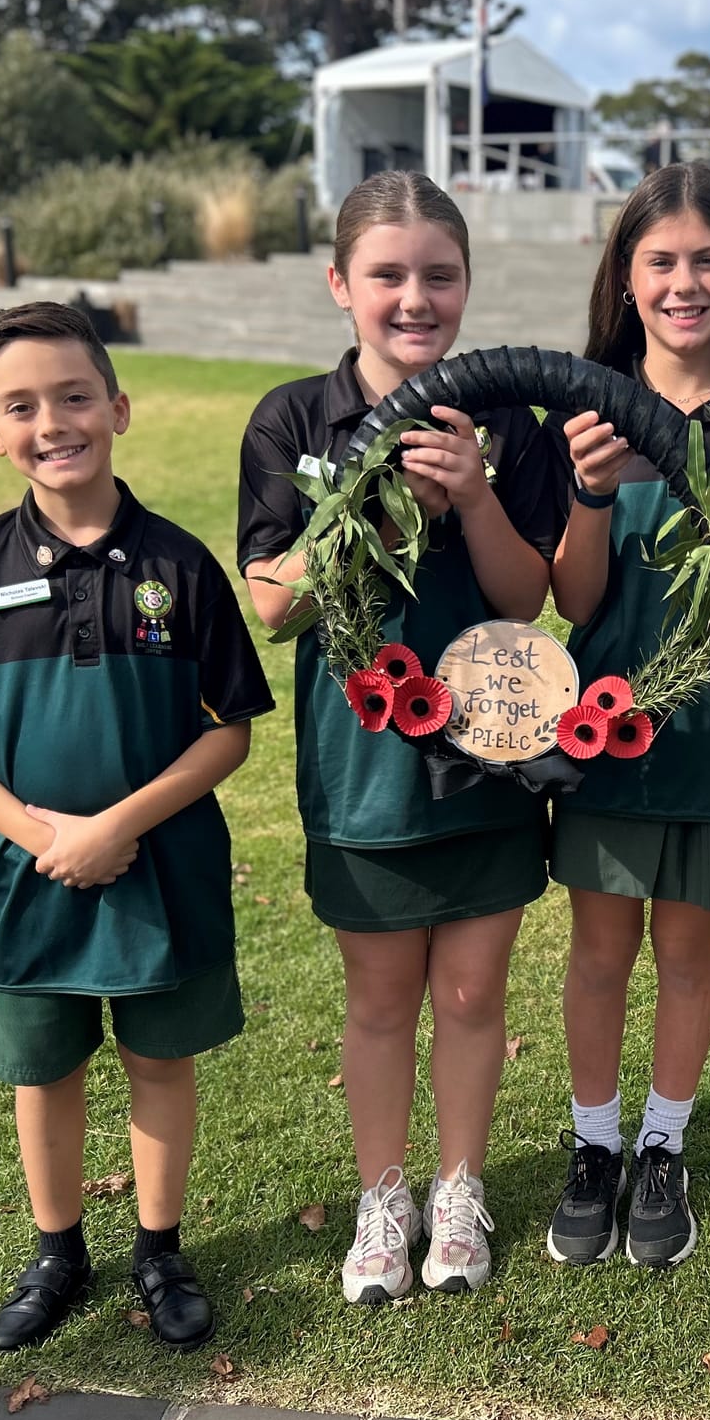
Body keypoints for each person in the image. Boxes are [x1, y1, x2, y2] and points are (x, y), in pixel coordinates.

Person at [0, 302, 274, 1353]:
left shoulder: (181, 567)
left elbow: (228, 732)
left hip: (162, 868)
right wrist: (38, 832)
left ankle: (158, 1249)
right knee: (42, 1069)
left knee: (158, 1060)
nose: (52, 421)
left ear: (118, 407)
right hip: (28, 879)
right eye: (20, 406)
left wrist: (118, 824)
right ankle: (58, 1251)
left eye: (72, 395)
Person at [237, 171, 565, 1304]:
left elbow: (524, 603)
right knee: (378, 1000)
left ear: (466, 285)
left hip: (488, 747)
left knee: (473, 996)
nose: (413, 298)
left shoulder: (504, 425)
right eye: (386, 275)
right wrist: (375, 508)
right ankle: (385, 1197)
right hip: (362, 767)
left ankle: (458, 1187)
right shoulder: (293, 419)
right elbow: (272, 603)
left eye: (439, 274)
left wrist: (474, 498)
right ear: (340, 285)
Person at [545, 161, 710, 1271]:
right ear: (625, 274)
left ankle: (664, 1144)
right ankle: (594, 1145)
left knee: (688, 951)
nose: (683, 282)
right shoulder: (584, 408)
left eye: (706, 260)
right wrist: (592, 494)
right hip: (607, 729)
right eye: (660, 261)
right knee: (600, 948)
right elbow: (573, 599)